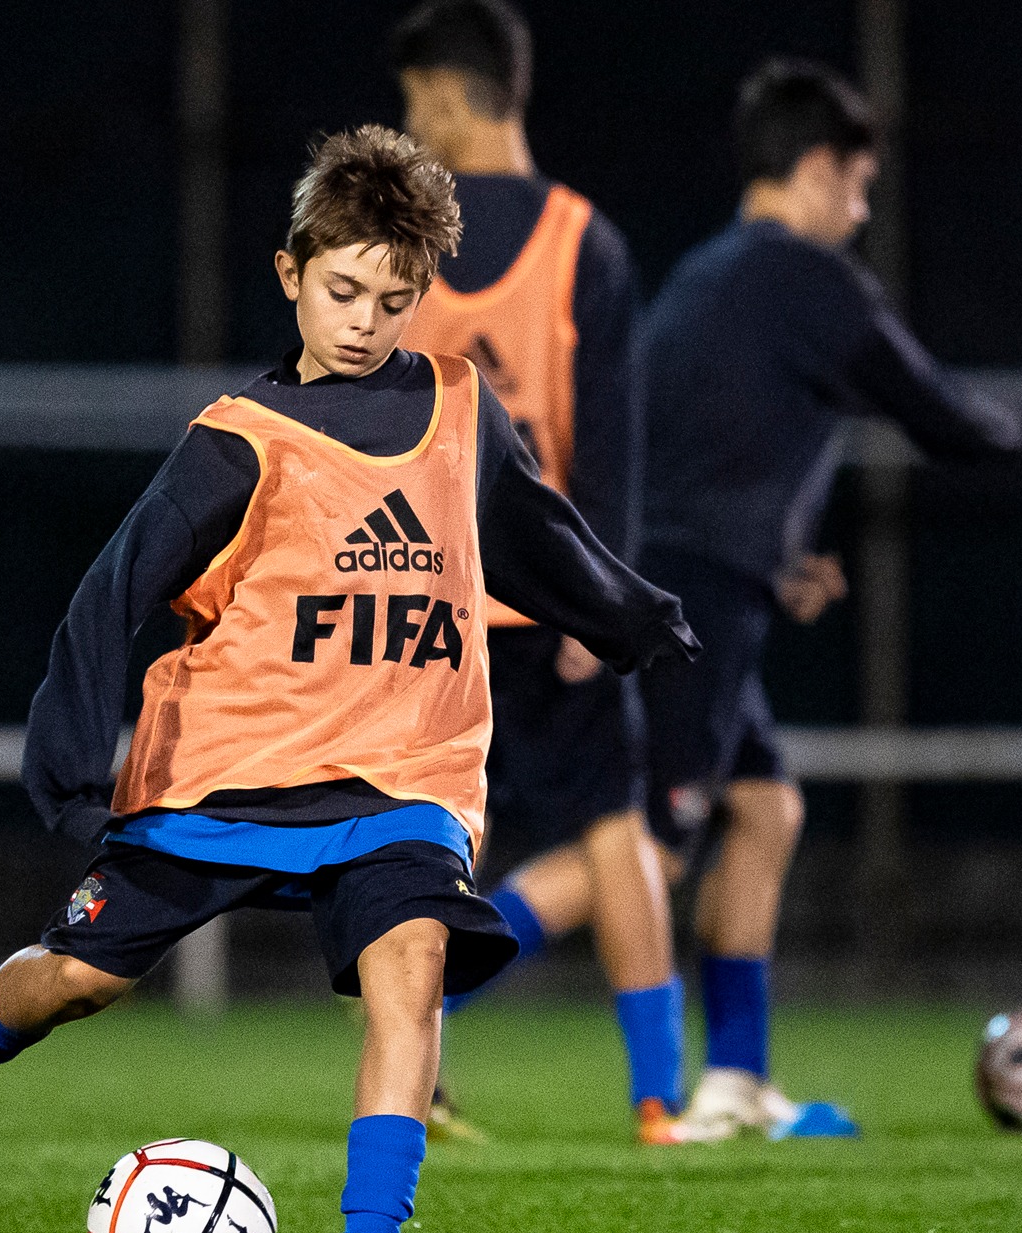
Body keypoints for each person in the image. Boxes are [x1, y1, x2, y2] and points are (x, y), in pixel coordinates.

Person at [0, 126, 697, 1233]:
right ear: (290, 274)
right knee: (78, 982)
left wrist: (625, 615)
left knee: (414, 964)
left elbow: (532, 531)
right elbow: (115, 589)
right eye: (342, 290)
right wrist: (74, 757)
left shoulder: (458, 402)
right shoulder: (240, 438)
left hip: (405, 773)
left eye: (393, 300)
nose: (363, 320)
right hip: (226, 773)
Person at [449, 57, 1022, 1140]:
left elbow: (688, 445)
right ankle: (430, 989)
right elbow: (929, 408)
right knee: (650, 847)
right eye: (858, 184)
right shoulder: (808, 280)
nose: (860, 208)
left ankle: (735, 1079)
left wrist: (772, 555)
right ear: (815, 168)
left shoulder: (711, 276)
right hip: (691, 599)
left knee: (767, 810)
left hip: (695, 581)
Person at [392, 0, 690, 1145]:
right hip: (547, 591)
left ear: (457, 99)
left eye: (419, 106)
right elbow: (611, 441)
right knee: (613, 829)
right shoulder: (585, 241)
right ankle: (656, 1099)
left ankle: (416, 1085)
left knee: (420, 840)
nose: (415, 128)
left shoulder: (407, 252)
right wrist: (595, 594)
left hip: (431, 603)